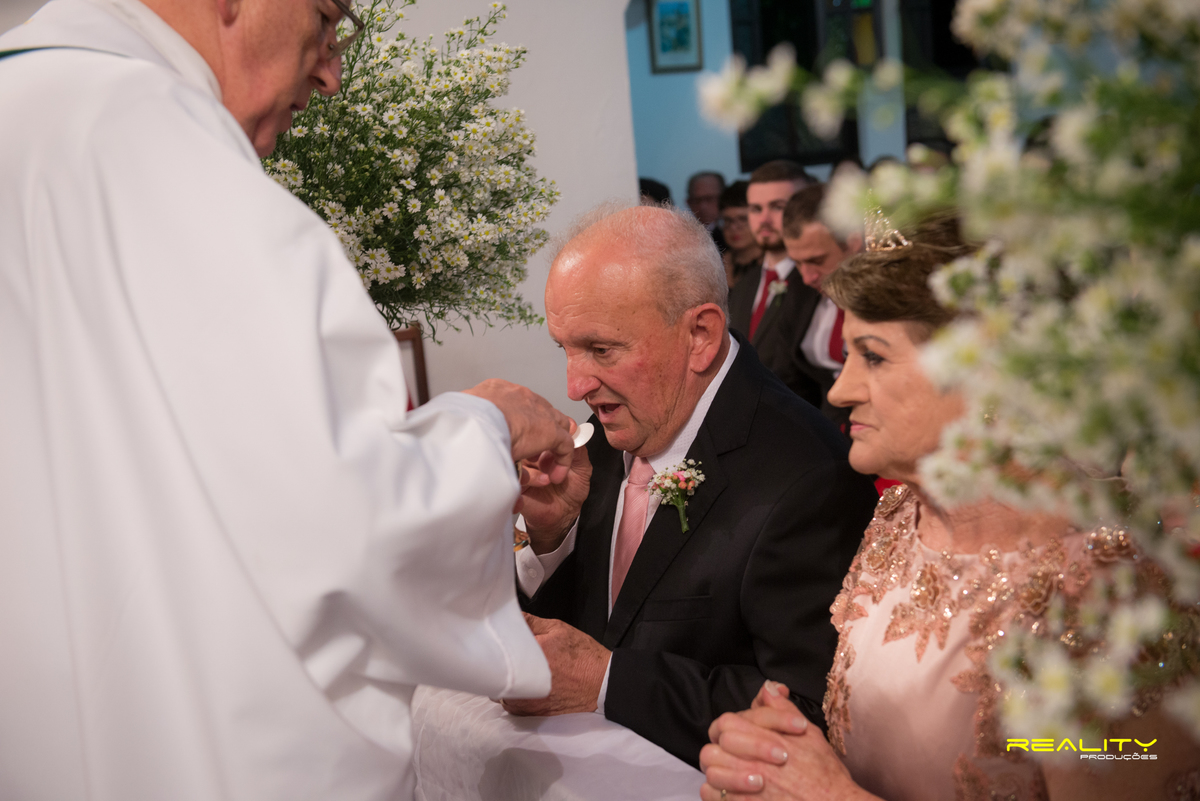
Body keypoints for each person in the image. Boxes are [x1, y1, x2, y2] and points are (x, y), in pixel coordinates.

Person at [0, 1, 579, 799]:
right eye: (326, 17)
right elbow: (344, 521)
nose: (332, 72)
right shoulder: (155, 140)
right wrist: (487, 423)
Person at [698, 215, 1200, 800]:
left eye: (873, 357)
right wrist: (782, 756)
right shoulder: (899, 518)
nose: (839, 390)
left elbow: (1125, 759)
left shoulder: (1106, 599)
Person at [503, 202, 878, 768]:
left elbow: (810, 710)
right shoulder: (603, 439)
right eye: (566, 348)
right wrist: (551, 541)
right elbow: (583, 634)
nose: (575, 385)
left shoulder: (807, 480)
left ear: (700, 334)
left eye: (601, 350)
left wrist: (609, 682)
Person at [728, 160, 820, 405]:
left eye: (778, 207)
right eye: (755, 209)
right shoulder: (745, 285)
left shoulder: (815, 282)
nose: (764, 219)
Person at [780, 183, 864, 430]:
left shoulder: (891, 294)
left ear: (853, 242)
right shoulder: (799, 291)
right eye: (797, 263)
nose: (807, 277)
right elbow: (791, 378)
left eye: (816, 260)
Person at [718, 180, 763, 287]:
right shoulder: (716, 264)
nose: (733, 227)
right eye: (727, 220)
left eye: (743, 219)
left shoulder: (774, 264)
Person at [687, 170, 728, 250]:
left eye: (709, 199)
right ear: (689, 203)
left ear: (723, 198)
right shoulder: (684, 237)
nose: (703, 207)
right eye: (697, 200)